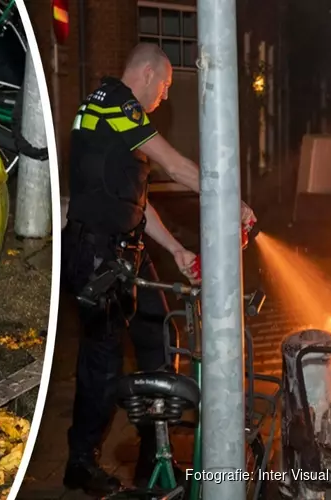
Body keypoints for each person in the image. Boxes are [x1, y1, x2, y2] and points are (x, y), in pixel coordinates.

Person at [61, 42, 256, 496]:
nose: (165, 97)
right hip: (97, 256)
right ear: (147, 74)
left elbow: (137, 205)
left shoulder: (115, 119)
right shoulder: (115, 105)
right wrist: (231, 201)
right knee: (103, 360)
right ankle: (80, 462)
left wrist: (176, 251)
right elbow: (175, 165)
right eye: (166, 85)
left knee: (159, 337)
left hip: (124, 249)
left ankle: (155, 454)